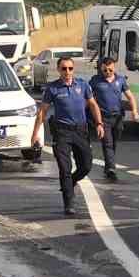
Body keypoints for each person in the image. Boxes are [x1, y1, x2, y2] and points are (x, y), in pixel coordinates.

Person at [30, 55, 104, 217]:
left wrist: (99, 123)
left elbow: (93, 104)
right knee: (64, 169)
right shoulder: (52, 88)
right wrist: (36, 133)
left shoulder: (82, 85)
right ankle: (69, 203)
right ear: (58, 70)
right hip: (62, 132)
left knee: (86, 165)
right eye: (64, 68)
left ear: (73, 69)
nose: (67, 71)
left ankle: (71, 182)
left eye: (70, 68)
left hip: (80, 131)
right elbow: (42, 111)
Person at [88, 55, 138, 182]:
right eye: (105, 70)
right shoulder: (95, 81)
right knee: (107, 143)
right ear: (101, 69)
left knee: (114, 142)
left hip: (118, 117)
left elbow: (130, 97)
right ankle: (111, 168)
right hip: (103, 117)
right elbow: (87, 98)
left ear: (114, 68)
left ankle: (108, 164)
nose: (108, 72)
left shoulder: (120, 80)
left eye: (110, 70)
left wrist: (134, 111)